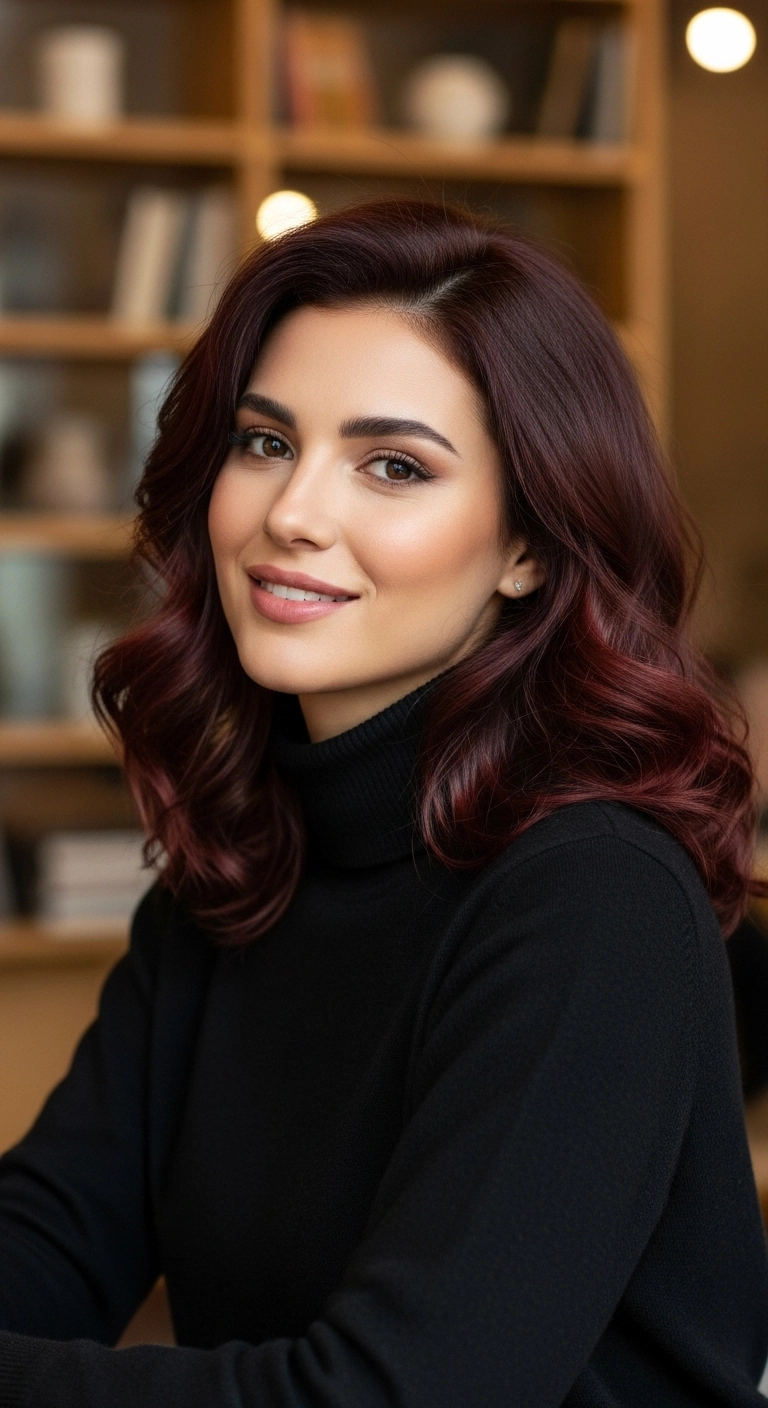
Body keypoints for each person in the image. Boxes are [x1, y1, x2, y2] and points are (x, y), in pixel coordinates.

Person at [1, 198, 767, 1407]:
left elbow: (396, 1397)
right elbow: (47, 1238)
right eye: (264, 442)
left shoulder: (594, 894)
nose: (292, 513)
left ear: (527, 546)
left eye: (394, 465)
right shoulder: (245, 857)